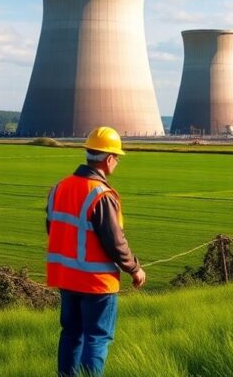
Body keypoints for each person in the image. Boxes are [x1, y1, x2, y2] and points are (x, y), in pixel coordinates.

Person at [45, 126, 146, 377]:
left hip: (66, 278)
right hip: (96, 283)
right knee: (97, 338)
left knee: (70, 334)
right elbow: (115, 242)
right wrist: (135, 269)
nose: (118, 163)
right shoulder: (101, 194)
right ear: (109, 159)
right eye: (118, 158)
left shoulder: (60, 188)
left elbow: (53, 228)